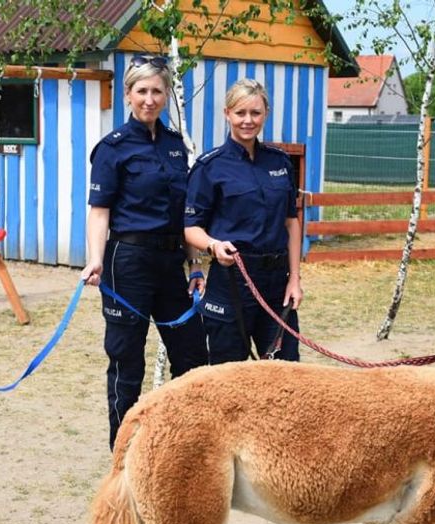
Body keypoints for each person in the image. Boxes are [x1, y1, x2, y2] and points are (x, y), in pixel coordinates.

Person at [81, 55, 208, 449]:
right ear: (128, 94)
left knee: (191, 357)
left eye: (157, 91)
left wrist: (195, 263)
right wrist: (95, 259)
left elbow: (185, 212)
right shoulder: (112, 149)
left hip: (172, 263)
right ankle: (122, 451)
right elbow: (99, 212)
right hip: (128, 263)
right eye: (142, 91)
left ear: (167, 94)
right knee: (126, 362)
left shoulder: (175, 147)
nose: (149, 99)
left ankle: (184, 444)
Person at [184, 78, 303, 364]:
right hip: (232, 281)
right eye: (240, 113)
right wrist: (213, 246)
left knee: (285, 372)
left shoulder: (280, 162)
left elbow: (292, 223)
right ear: (227, 114)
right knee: (229, 376)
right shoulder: (209, 166)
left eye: (255, 113)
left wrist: (295, 280)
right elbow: (190, 228)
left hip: (277, 283)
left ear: (265, 114)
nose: (248, 120)